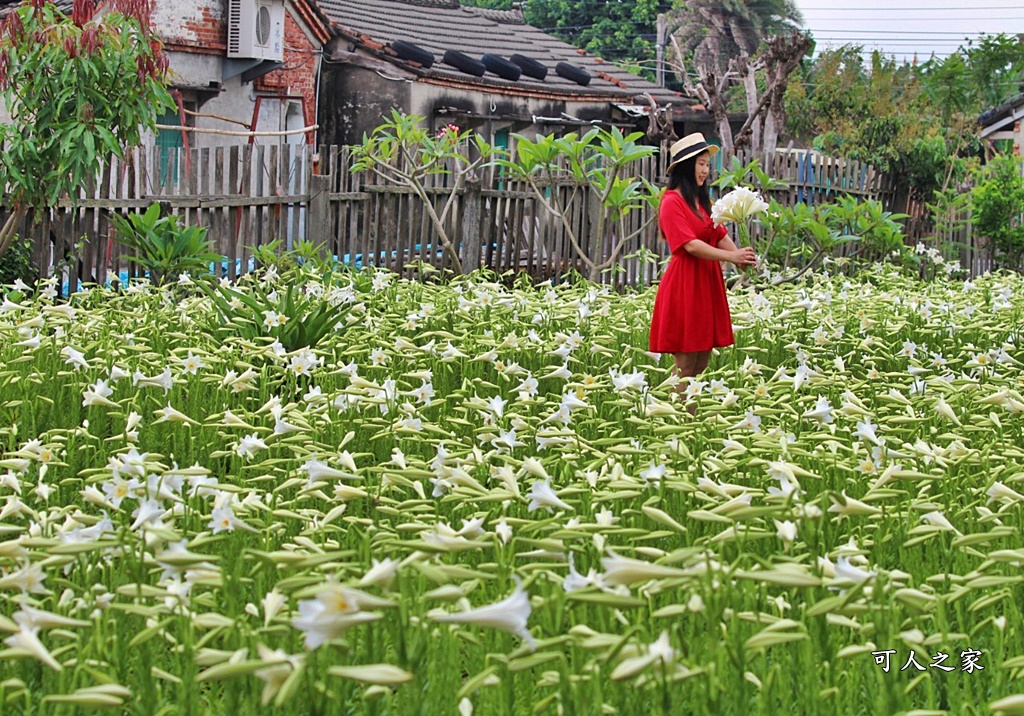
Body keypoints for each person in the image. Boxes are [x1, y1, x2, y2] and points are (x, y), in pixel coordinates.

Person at [649, 133, 757, 414]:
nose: (705, 170)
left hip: (706, 285)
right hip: (685, 284)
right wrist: (731, 257)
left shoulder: (702, 202)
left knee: (702, 361)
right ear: (686, 166)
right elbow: (690, 245)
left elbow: (718, 233)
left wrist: (741, 259)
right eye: (700, 163)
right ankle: (677, 421)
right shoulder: (671, 201)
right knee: (685, 363)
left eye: (708, 164)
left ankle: (688, 418)